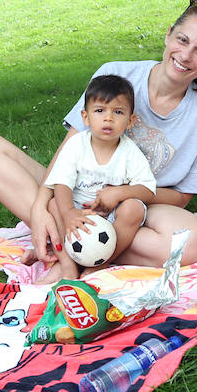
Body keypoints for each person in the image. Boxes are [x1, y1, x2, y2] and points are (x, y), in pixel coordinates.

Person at [0, 0, 197, 274]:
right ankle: (65, 236)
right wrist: (39, 206)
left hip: (136, 206)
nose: (186, 55)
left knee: (196, 242)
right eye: (182, 39)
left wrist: (121, 194)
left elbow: (181, 198)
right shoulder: (116, 73)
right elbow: (69, 148)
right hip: (73, 189)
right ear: (168, 35)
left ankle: (81, 248)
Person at [43, 74, 157, 279]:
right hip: (78, 211)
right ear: (85, 117)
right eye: (99, 110)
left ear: (130, 121)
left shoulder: (130, 152)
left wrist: (119, 193)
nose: (108, 118)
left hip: (111, 217)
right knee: (53, 205)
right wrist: (69, 212)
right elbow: (62, 183)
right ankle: (68, 265)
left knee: (134, 208)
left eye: (118, 112)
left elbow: (148, 190)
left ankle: (99, 264)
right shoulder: (76, 145)